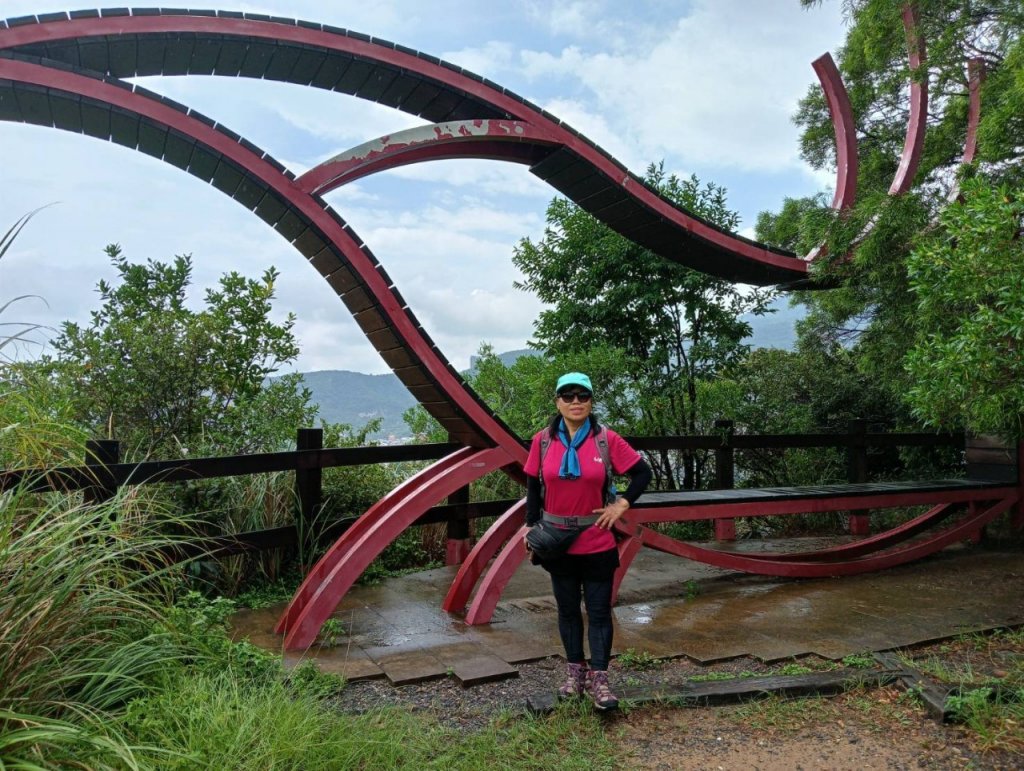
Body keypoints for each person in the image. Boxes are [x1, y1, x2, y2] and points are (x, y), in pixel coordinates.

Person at [523, 372, 652, 710]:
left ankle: (600, 679)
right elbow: (533, 487)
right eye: (568, 396)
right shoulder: (543, 441)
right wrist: (530, 528)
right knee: (567, 611)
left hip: (596, 540)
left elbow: (642, 472)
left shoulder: (605, 440)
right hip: (556, 541)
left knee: (597, 612)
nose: (576, 402)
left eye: (583, 396)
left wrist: (621, 504)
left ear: (591, 401)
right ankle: (574, 674)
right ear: (557, 402)